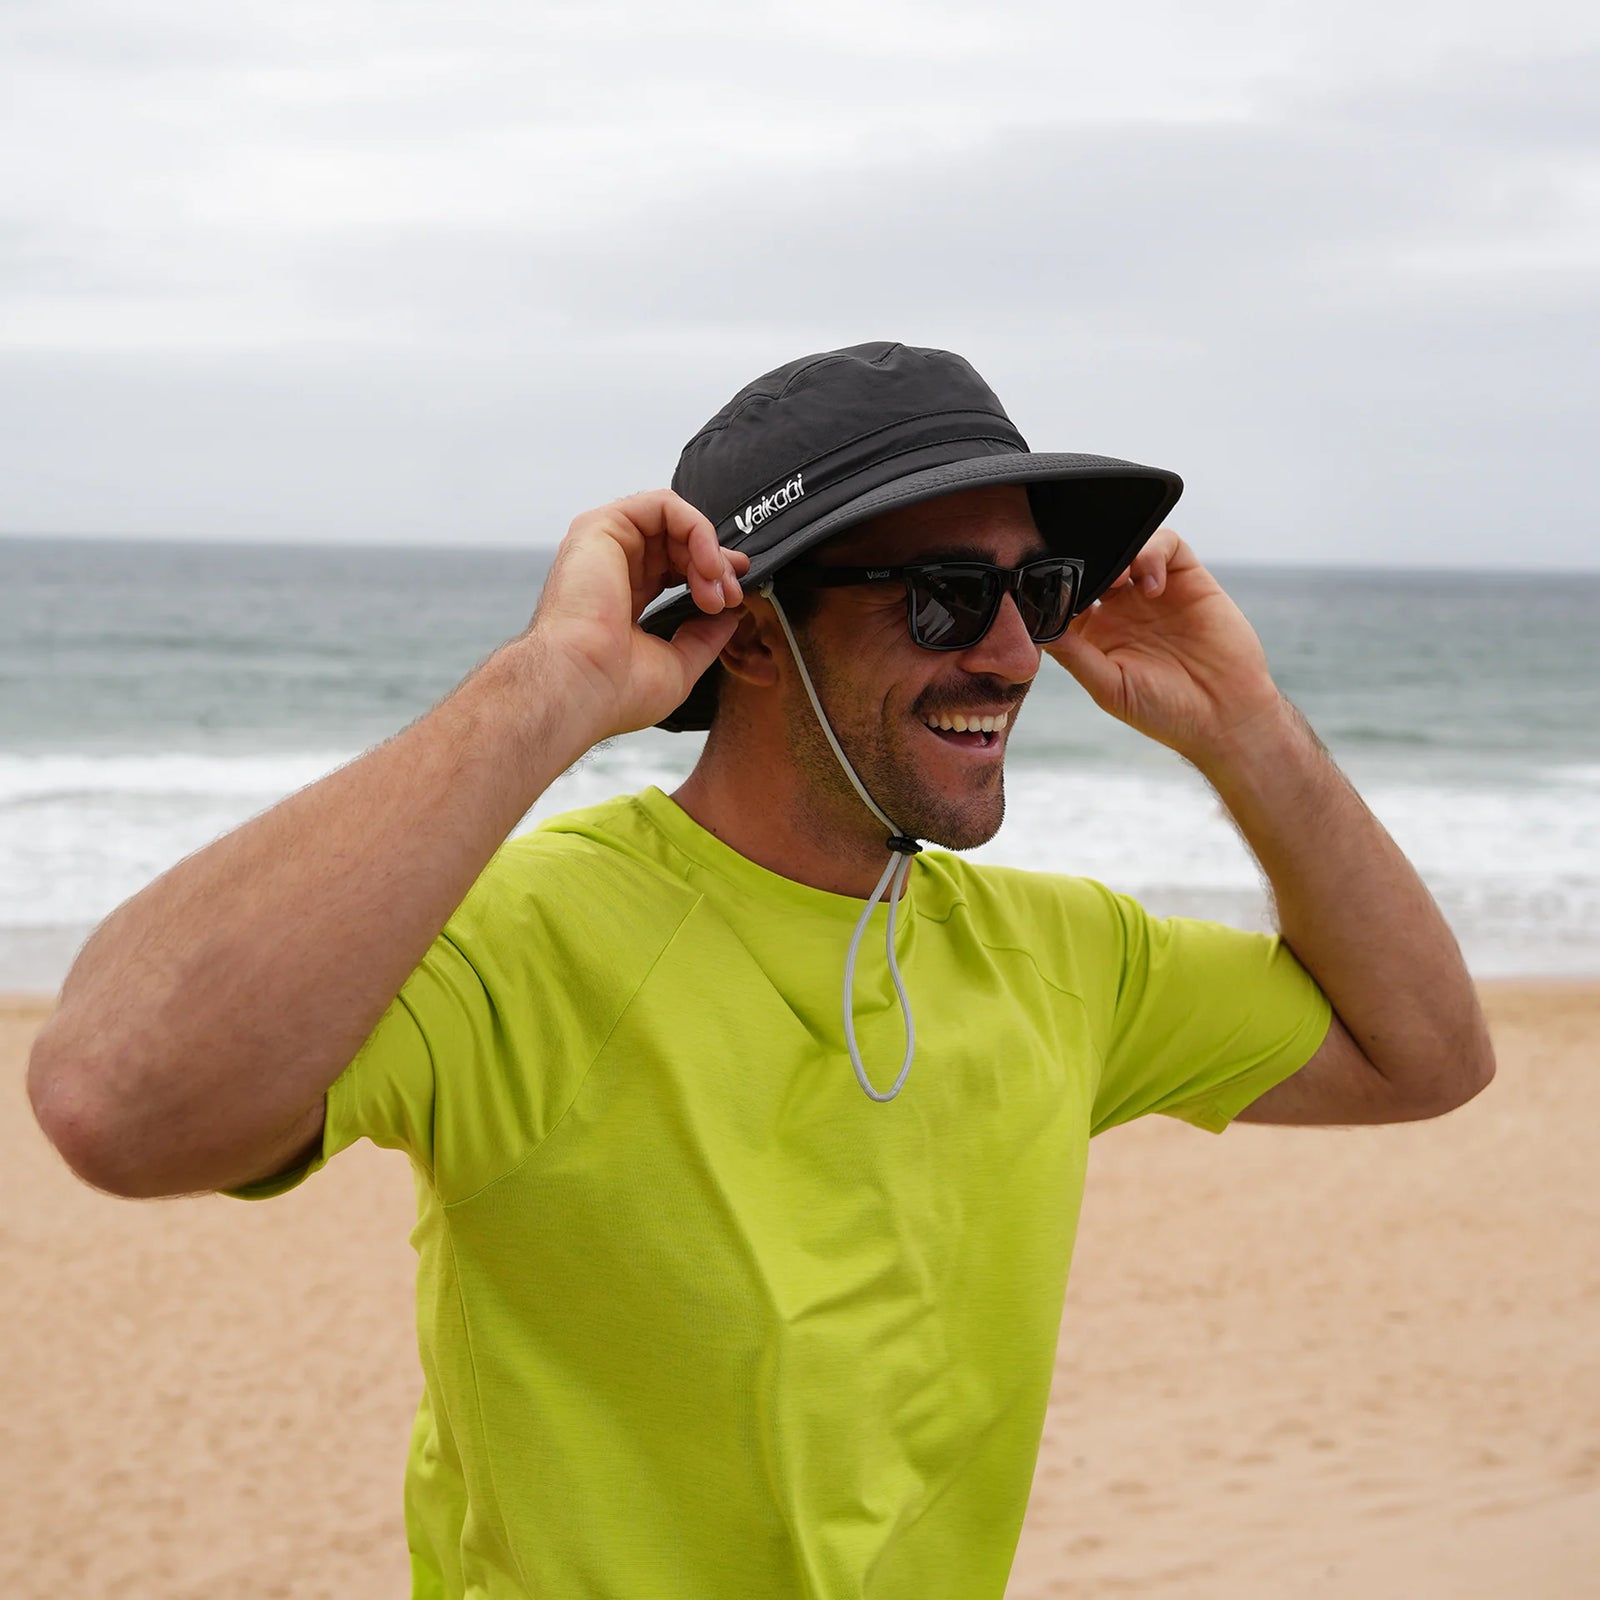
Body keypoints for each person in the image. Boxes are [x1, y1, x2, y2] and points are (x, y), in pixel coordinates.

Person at [28, 341, 1494, 1599]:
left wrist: (1239, 718)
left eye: (1033, 591)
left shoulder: (1064, 959)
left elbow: (1428, 1053)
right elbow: (118, 1097)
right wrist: (549, 689)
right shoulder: (529, 938)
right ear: (752, 634)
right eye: (939, 596)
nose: (1013, 653)